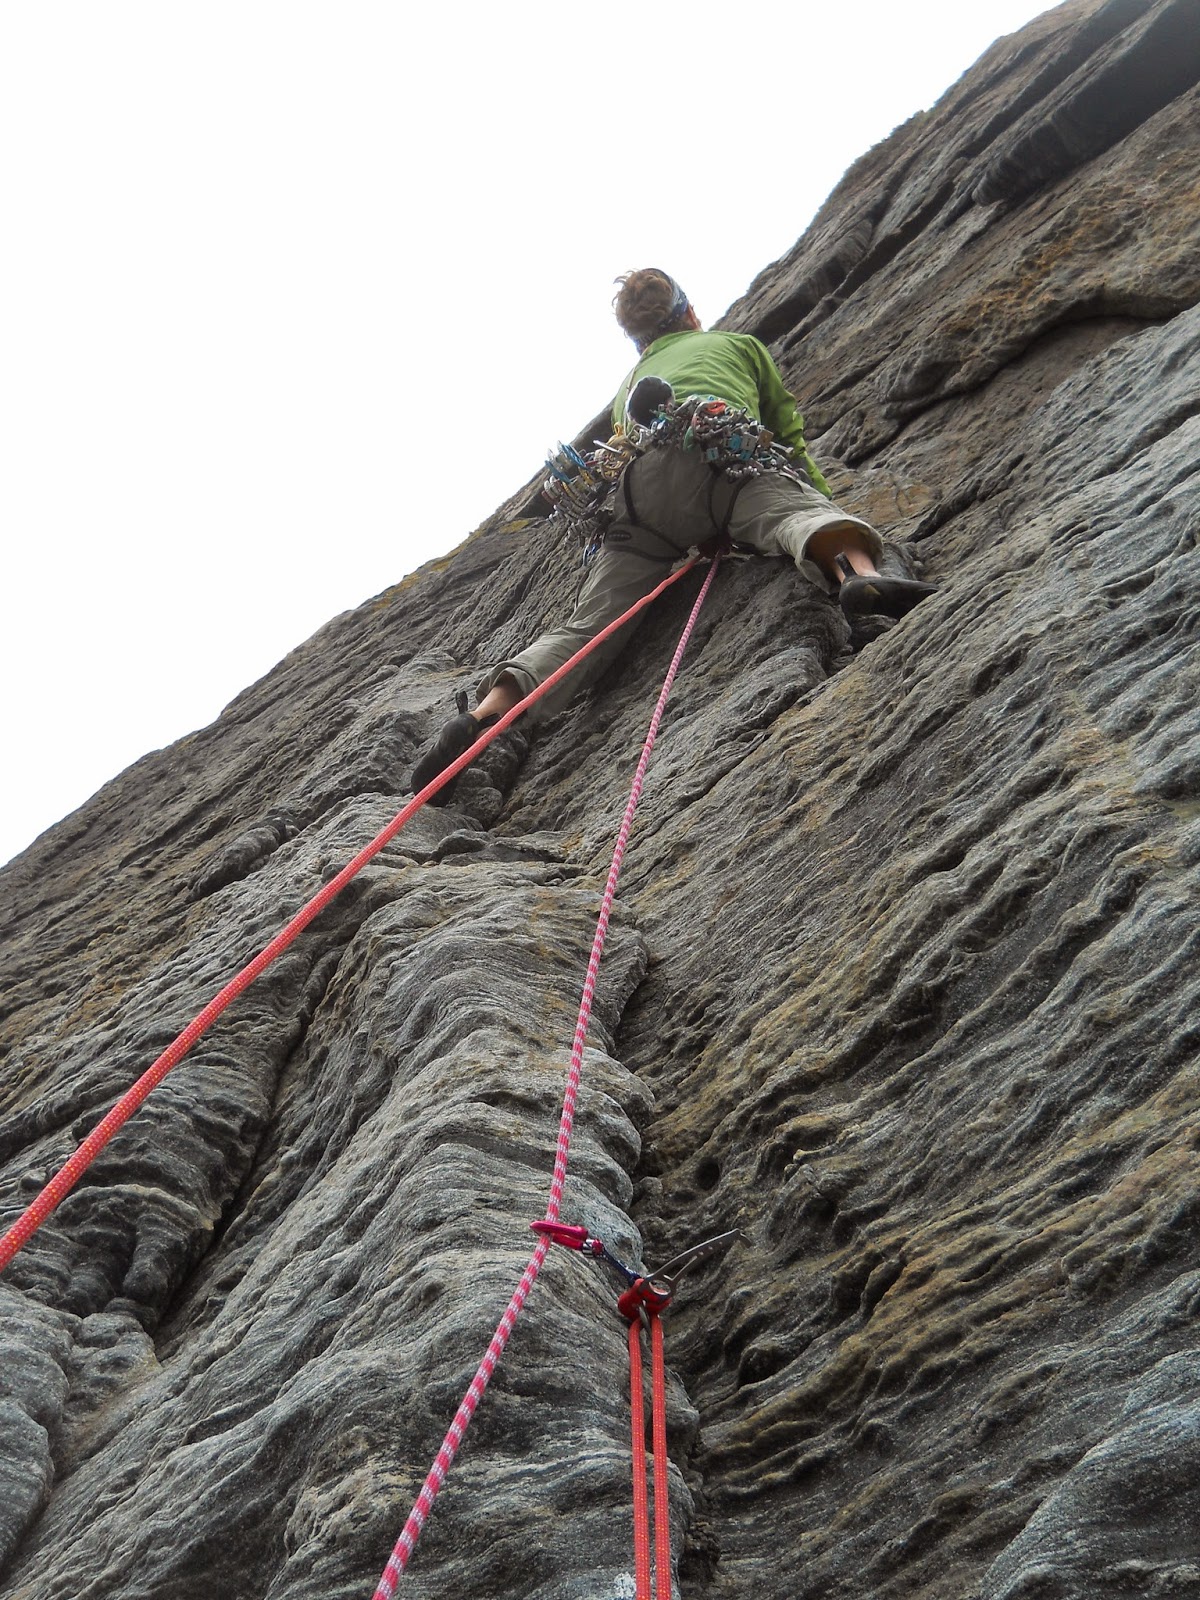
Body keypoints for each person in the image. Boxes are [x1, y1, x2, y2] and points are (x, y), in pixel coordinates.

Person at [411, 268, 933, 800]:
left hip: (640, 496)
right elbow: (786, 432)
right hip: (724, 454)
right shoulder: (737, 345)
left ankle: (484, 717)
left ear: (639, 339)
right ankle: (858, 576)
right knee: (795, 515)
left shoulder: (629, 384)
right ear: (689, 313)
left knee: (588, 626)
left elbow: (626, 442)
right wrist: (816, 493)